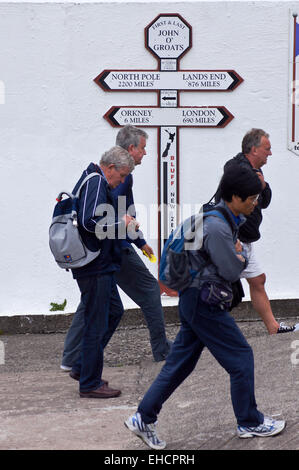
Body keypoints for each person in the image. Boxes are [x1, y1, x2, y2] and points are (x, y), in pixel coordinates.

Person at [125, 166, 286, 449]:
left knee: (180, 364)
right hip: (204, 303)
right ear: (235, 197)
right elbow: (231, 270)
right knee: (241, 357)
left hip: (193, 298)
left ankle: (143, 417)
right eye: (251, 198)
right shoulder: (218, 227)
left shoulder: (213, 217)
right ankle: (249, 421)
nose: (255, 202)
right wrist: (239, 255)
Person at [61, 125, 171, 372]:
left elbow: (123, 212)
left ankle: (72, 358)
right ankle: (162, 350)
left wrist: (140, 241)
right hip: (113, 247)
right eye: (142, 148)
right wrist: (135, 238)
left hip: (111, 244)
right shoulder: (116, 175)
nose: (145, 153)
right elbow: (116, 215)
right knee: (149, 290)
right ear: (131, 149)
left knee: (93, 302)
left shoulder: (113, 172)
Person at [215, 128, 298, 335]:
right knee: (222, 288)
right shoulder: (236, 168)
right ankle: (211, 330)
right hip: (233, 239)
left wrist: (262, 185)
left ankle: (273, 328)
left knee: (257, 280)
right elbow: (226, 203)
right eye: (267, 149)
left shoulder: (255, 171)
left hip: (245, 239)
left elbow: (265, 200)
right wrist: (232, 237)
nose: (270, 153)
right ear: (253, 150)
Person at [69, 146, 135, 398]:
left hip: (98, 264)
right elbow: (89, 221)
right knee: (96, 322)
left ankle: (82, 367)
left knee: (113, 312)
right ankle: (89, 383)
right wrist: (122, 224)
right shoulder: (96, 181)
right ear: (110, 168)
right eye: (121, 176)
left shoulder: (93, 178)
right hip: (94, 265)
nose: (121, 181)